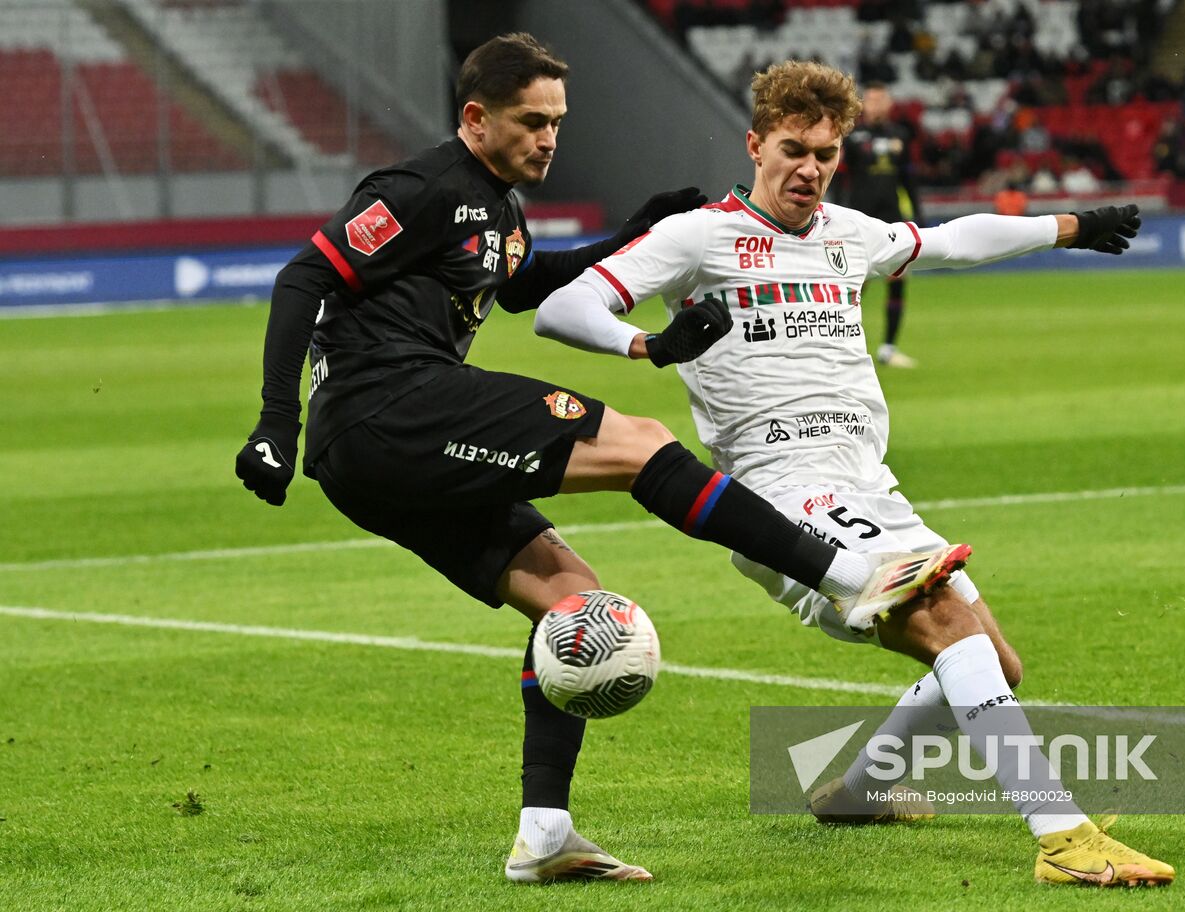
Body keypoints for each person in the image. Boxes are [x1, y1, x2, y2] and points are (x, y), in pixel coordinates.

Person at [234, 35, 956, 885]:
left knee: (573, 606)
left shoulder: (497, 207)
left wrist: (626, 236)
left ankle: (545, 835)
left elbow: (516, 283)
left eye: (557, 123)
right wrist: (275, 421)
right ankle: (846, 576)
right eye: (531, 122)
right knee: (642, 443)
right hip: (389, 406)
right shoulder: (421, 187)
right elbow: (302, 279)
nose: (549, 139)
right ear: (475, 118)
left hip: (386, 457)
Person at [535, 60, 1173, 888]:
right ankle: (1065, 839)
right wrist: (647, 345)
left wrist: (1070, 226)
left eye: (827, 155)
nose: (810, 169)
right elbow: (564, 307)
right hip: (780, 497)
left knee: (993, 665)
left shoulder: (847, 230)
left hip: (865, 483)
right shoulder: (698, 235)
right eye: (794, 150)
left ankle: (858, 792)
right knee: (944, 621)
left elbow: (949, 243)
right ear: (756, 144)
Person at [835, 82, 921, 368]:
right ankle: (841, 346)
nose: (875, 105)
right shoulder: (852, 137)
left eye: (880, 100)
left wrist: (917, 216)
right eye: (870, 100)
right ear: (863, 105)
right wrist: (835, 212)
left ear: (888, 104)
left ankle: (888, 349)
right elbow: (838, 178)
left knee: (897, 281)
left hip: (892, 218)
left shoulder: (900, 135)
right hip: (859, 218)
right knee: (855, 285)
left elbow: (908, 179)